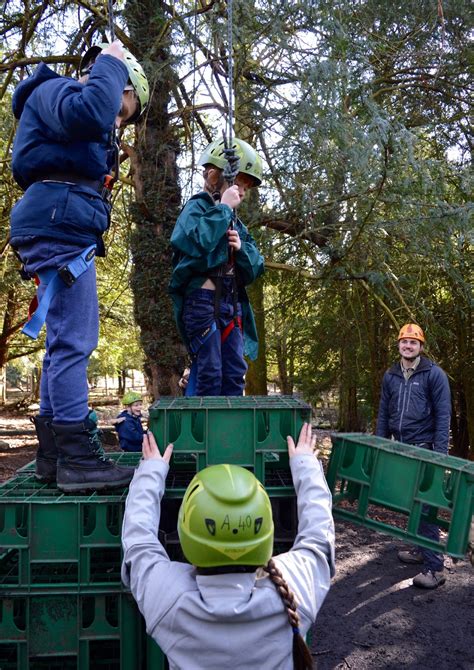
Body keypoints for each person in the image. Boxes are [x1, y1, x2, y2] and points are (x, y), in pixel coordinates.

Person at [9, 40, 149, 492]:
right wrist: (111, 60)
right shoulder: (56, 92)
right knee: (75, 341)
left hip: (60, 224)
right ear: (119, 84)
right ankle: (78, 460)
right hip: (59, 225)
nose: (117, 121)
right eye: (124, 108)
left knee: (63, 343)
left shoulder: (61, 104)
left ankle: (53, 454)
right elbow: (91, 113)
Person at [122, 423, 335, 670]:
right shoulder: (294, 589)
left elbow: (138, 541)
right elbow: (319, 535)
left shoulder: (170, 599)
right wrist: (305, 464)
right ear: (266, 533)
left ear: (186, 533)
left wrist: (151, 471)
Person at [169, 137, 265, 396]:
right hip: (202, 300)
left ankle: (231, 432)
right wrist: (222, 209)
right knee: (209, 373)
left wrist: (241, 250)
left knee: (234, 373)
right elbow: (195, 243)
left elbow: (256, 267)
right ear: (214, 177)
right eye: (238, 183)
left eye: (246, 187)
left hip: (231, 305)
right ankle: (203, 434)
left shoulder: (236, 223)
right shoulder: (197, 208)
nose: (242, 192)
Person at [375, 323, 451, 589]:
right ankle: (420, 551)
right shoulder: (391, 375)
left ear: (421, 346)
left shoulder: (434, 375)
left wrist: (439, 457)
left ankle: (435, 568)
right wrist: (380, 447)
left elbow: (443, 417)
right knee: (411, 503)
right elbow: (383, 413)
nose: (408, 346)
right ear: (398, 345)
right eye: (404, 342)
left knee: (427, 507)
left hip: (425, 447)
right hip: (400, 448)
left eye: (413, 343)